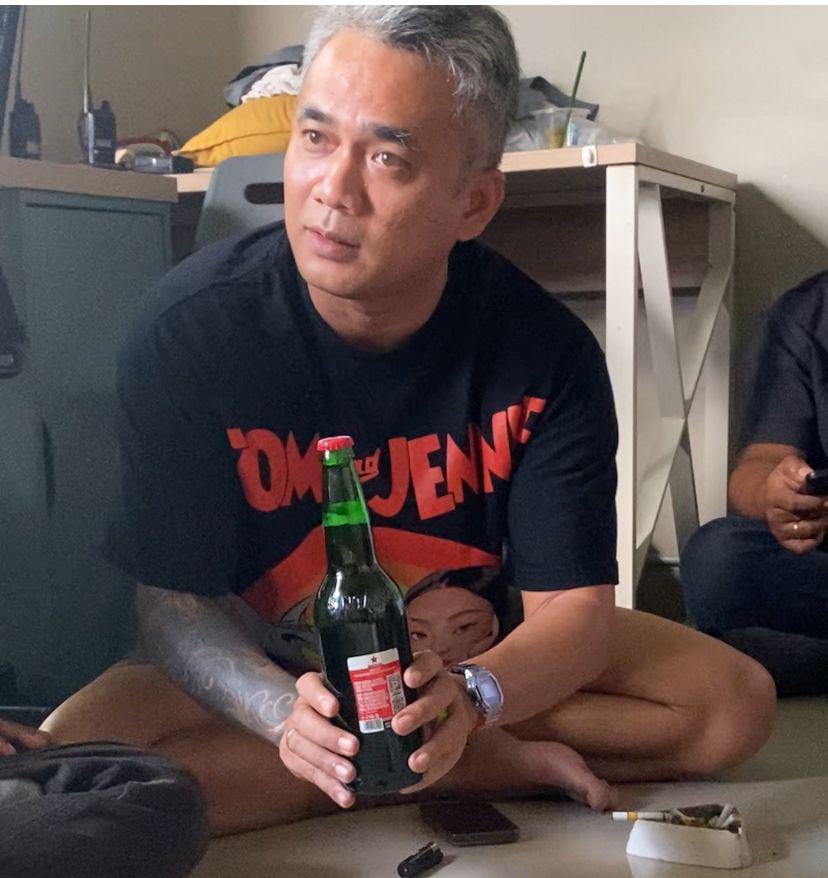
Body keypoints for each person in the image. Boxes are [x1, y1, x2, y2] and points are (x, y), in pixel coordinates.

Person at [36, 6, 774, 836]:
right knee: (65, 761)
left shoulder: (545, 354)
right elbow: (172, 605)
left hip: (459, 654)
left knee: (731, 705)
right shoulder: (190, 331)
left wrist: (475, 697)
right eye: (316, 138)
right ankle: (455, 768)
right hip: (270, 661)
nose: (333, 190)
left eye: (387, 158)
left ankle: (422, 752)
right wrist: (280, 714)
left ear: (474, 202)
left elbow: (573, 610)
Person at [681, 271, 828, 696]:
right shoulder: (806, 313)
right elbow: (758, 464)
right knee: (717, 559)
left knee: (732, 657)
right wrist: (775, 494)